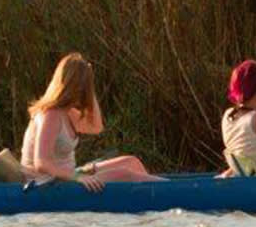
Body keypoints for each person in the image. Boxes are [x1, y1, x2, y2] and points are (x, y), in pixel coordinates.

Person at [22, 53, 164, 192]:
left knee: (131, 162)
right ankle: (175, 190)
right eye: (81, 87)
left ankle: (155, 197)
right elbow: (41, 163)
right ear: (68, 86)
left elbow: (96, 127)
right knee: (124, 174)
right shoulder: (50, 115)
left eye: (86, 88)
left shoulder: (67, 112)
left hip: (68, 176)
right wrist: (78, 177)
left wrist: (91, 82)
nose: (83, 93)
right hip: (45, 183)